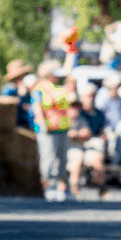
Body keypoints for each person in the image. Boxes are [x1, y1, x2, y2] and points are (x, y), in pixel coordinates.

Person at [31, 59, 73, 201]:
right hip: (47, 129)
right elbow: (37, 107)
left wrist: (71, 51)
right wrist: (42, 124)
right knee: (47, 159)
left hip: (62, 128)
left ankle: (62, 188)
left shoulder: (61, 87)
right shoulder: (40, 88)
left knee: (62, 159)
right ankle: (47, 187)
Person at [66, 85, 108, 199]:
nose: (74, 108)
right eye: (72, 106)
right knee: (77, 158)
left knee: (97, 160)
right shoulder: (65, 117)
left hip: (86, 146)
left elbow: (88, 133)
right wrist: (75, 135)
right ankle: (74, 189)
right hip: (70, 149)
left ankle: (102, 188)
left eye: (76, 106)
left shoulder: (86, 117)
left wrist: (77, 135)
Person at [3, 59, 34, 129]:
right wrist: (21, 96)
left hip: (31, 125)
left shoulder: (29, 87)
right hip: (17, 127)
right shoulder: (8, 90)